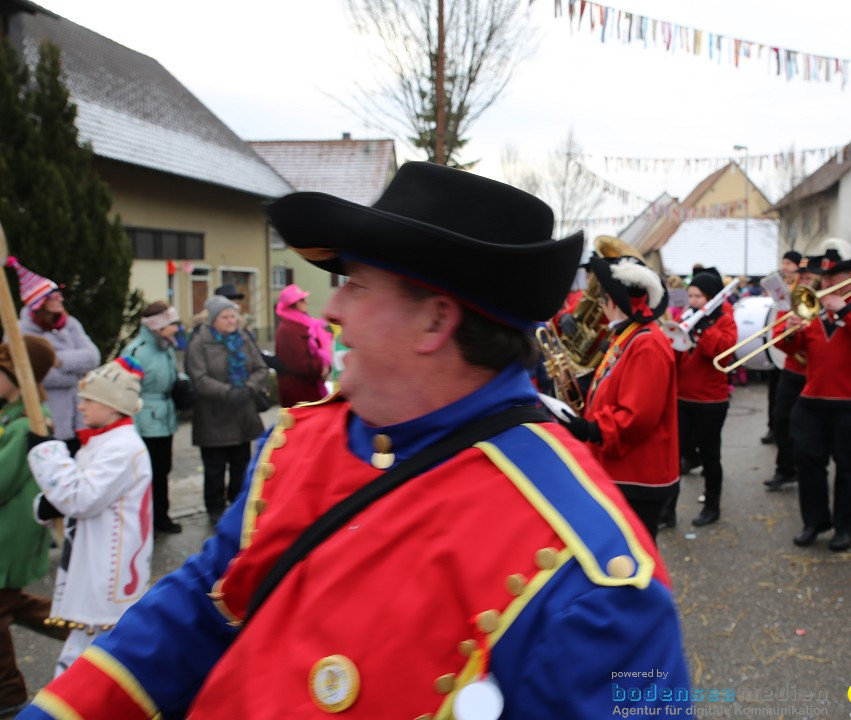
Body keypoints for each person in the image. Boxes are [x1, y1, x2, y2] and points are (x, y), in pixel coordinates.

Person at [16, 162, 689, 719]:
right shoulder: (297, 446)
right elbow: (199, 605)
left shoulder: (597, 581)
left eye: (356, 285)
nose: (332, 310)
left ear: (434, 320)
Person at [26, 357, 153, 677]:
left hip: (108, 572)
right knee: (85, 654)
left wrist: (48, 454)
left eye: (88, 400)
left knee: (96, 658)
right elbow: (79, 494)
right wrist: (49, 504)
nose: (80, 406)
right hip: (93, 562)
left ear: (112, 406)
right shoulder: (104, 441)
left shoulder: (122, 447)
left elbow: (81, 498)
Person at [775, 254, 851, 551]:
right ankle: (815, 521)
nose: (825, 284)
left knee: (846, 465)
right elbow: (788, 348)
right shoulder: (813, 308)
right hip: (812, 398)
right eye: (823, 279)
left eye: (832, 278)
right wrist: (790, 329)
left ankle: (845, 527)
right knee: (808, 461)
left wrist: (847, 309)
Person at [564, 254, 679, 540]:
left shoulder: (647, 343)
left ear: (613, 302)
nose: (601, 306)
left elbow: (637, 417)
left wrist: (591, 429)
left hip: (636, 472)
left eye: (602, 300)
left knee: (632, 555)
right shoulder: (629, 335)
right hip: (621, 467)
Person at [0, 337, 65, 718]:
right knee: (16, 605)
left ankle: (9, 694)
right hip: (7, 533)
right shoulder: (11, 416)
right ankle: (87, 630)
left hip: (12, 536)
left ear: (15, 376)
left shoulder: (27, 423)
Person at [186, 296, 269, 524]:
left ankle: (238, 505)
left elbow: (261, 368)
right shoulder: (199, 344)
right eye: (226, 317)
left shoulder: (243, 339)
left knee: (241, 464)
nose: (232, 320)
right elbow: (199, 378)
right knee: (214, 468)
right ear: (213, 320)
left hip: (243, 414)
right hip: (213, 416)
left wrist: (249, 388)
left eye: (233, 316)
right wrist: (228, 392)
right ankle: (215, 510)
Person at [9, 258, 101, 455]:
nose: (60, 299)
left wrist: (58, 360)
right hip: (48, 416)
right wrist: (75, 373)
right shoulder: (19, 331)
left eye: (59, 294)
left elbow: (93, 357)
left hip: (79, 418)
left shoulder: (71, 324)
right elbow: (33, 373)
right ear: (39, 303)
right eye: (53, 296)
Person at [673, 272, 737, 527]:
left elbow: (722, 353)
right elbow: (674, 354)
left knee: (710, 455)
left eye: (698, 296)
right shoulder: (685, 316)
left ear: (710, 298)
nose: (693, 300)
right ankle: (668, 509)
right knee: (675, 455)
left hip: (711, 400)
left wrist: (703, 329)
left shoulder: (724, 321)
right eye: (690, 295)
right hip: (682, 396)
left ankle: (712, 505)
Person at [122, 302, 185, 534]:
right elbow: (127, 392)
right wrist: (133, 429)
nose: (176, 328)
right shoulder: (136, 351)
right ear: (157, 327)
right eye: (171, 324)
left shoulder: (167, 346)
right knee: (145, 474)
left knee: (163, 470)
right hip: (144, 422)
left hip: (165, 418)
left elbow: (169, 376)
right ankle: (143, 522)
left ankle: (161, 517)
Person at [763, 254, 824, 491]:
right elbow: (778, 337)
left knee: (812, 427)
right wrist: (788, 331)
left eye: (810, 276)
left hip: (817, 371)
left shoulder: (828, 297)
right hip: (793, 369)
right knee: (781, 419)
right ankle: (786, 469)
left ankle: (810, 469)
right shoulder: (793, 298)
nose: (806, 280)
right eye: (803, 275)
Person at [762, 250, 803, 446]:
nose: (785, 266)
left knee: (786, 397)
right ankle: (773, 427)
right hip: (777, 340)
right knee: (774, 391)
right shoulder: (781, 284)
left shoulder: (801, 286)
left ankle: (787, 433)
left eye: (789, 263)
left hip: (792, 342)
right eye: (783, 262)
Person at [274, 284, 332, 407]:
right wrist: (320, 369)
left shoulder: (303, 322)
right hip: (299, 391)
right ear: (292, 304)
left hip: (310, 386)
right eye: (301, 299)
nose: (306, 302)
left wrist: (326, 365)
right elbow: (299, 363)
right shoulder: (287, 329)